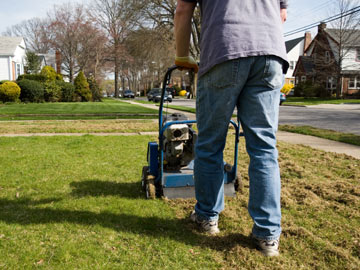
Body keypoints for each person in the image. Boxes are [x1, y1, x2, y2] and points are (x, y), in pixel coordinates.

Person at [174, 0, 289, 257]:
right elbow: (281, 15)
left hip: (225, 49)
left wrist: (182, 56)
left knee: (210, 143)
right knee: (264, 148)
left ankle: (206, 217)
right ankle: (268, 235)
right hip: (270, 54)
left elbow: (183, 9)